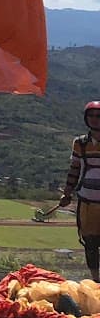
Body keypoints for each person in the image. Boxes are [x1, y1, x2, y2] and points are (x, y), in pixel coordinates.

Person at [57, 102, 100, 280]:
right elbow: (74, 169)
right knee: (90, 243)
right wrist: (67, 194)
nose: (95, 120)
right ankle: (96, 282)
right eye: (91, 116)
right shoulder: (80, 143)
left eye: (98, 116)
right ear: (85, 118)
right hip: (87, 202)